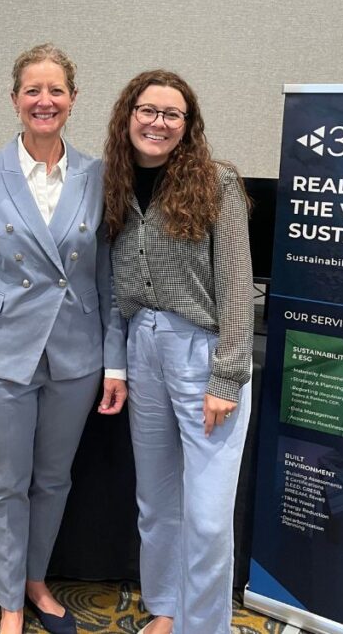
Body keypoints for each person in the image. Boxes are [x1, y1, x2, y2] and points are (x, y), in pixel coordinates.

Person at [0, 43, 128, 634]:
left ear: (73, 100)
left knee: (52, 480)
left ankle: (35, 579)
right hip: (1, 353)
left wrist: (115, 363)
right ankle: (10, 603)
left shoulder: (97, 175)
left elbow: (108, 279)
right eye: (33, 90)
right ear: (14, 99)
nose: (43, 101)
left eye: (55, 91)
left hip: (75, 355)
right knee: (4, 483)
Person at [103, 70, 253, 634]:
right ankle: (165, 609)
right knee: (156, 501)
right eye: (148, 110)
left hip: (203, 352)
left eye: (172, 114)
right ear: (129, 115)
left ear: (188, 126)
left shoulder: (217, 184)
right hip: (141, 346)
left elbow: (238, 284)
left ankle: (203, 626)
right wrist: (116, 360)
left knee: (209, 518)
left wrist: (227, 377)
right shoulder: (113, 184)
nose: (158, 123)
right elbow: (110, 286)